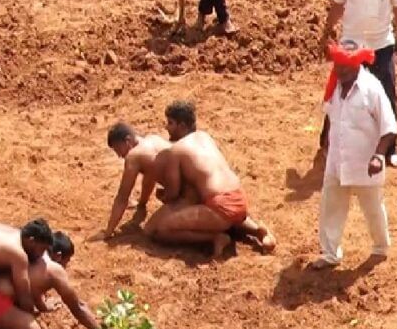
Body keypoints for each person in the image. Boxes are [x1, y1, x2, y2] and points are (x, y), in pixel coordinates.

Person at [320, 0, 397, 168]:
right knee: (339, 93)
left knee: (387, 95)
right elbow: (337, 5)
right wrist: (327, 31)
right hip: (351, 44)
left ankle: (389, 148)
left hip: (382, 43)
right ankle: (328, 142)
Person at [144, 101, 276, 258]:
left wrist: (164, 195)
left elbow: (173, 194)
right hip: (239, 200)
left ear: (182, 125)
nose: (167, 127)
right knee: (226, 215)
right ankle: (258, 231)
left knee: (162, 229)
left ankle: (215, 238)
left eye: (170, 123)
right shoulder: (205, 137)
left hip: (219, 207)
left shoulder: (176, 150)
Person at [310, 41, 396, 270]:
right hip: (337, 162)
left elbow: (389, 127)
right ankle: (330, 253)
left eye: (345, 68)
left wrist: (379, 156)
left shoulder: (372, 89)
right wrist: (326, 144)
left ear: (357, 65)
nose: (340, 72)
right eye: (338, 67)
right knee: (331, 207)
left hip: (365, 164)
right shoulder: (335, 85)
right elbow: (330, 116)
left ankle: (380, 247)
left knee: (373, 209)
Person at [104, 122, 171, 238]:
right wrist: (142, 204)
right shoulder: (153, 139)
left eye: (118, 149)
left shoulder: (134, 156)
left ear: (128, 141)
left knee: (152, 231)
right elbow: (150, 178)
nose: (119, 155)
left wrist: (108, 232)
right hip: (192, 182)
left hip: (189, 194)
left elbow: (122, 198)